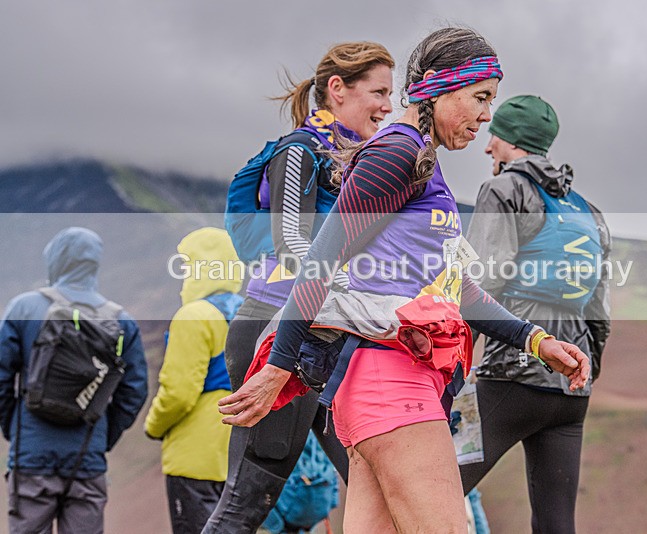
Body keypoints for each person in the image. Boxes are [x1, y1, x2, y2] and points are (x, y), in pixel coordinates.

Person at [219, 28, 590, 533]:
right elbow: (321, 259)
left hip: (385, 386)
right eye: (479, 98)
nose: (485, 117)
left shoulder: (419, 160)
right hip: (394, 386)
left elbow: (454, 289)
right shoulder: (397, 152)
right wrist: (280, 366)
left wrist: (536, 341)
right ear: (437, 86)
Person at [203, 42, 394, 533]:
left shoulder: (351, 161)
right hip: (274, 329)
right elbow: (292, 243)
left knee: (385, 487)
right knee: (246, 503)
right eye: (378, 92)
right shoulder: (299, 152)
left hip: (329, 339)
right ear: (337, 89)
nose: (388, 106)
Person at [460, 95, 611, 533]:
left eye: (495, 136)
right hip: (571, 388)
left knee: (430, 489)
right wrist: (584, 370)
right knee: (556, 522)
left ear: (511, 141)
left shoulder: (502, 189)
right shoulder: (588, 210)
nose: (488, 147)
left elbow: (480, 286)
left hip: (512, 371)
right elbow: (598, 310)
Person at [0, 227, 148, 534]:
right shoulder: (120, 320)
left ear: (56, 261)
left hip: (31, 455)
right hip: (87, 457)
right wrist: (102, 435)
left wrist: (12, 425)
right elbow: (134, 392)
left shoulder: (24, 308)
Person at [144, 227, 244, 533]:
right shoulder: (251, 313)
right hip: (239, 456)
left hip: (195, 456)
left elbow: (179, 392)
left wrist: (154, 426)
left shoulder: (194, 315)